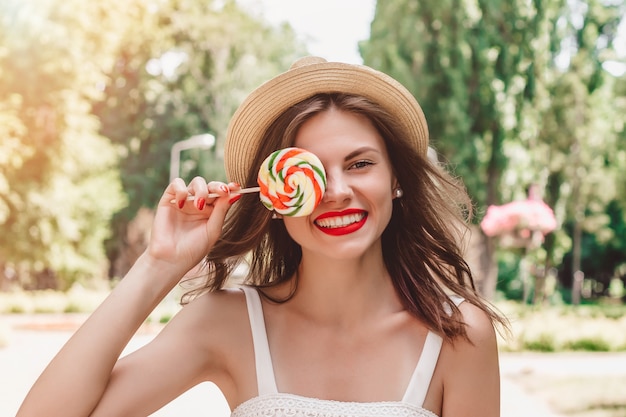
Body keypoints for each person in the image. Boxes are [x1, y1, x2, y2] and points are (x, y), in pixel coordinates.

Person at [17, 56, 506, 417]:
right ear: (275, 195)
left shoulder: (457, 336)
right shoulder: (226, 323)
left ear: (395, 179)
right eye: (312, 171)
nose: (336, 191)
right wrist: (160, 264)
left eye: (360, 164)